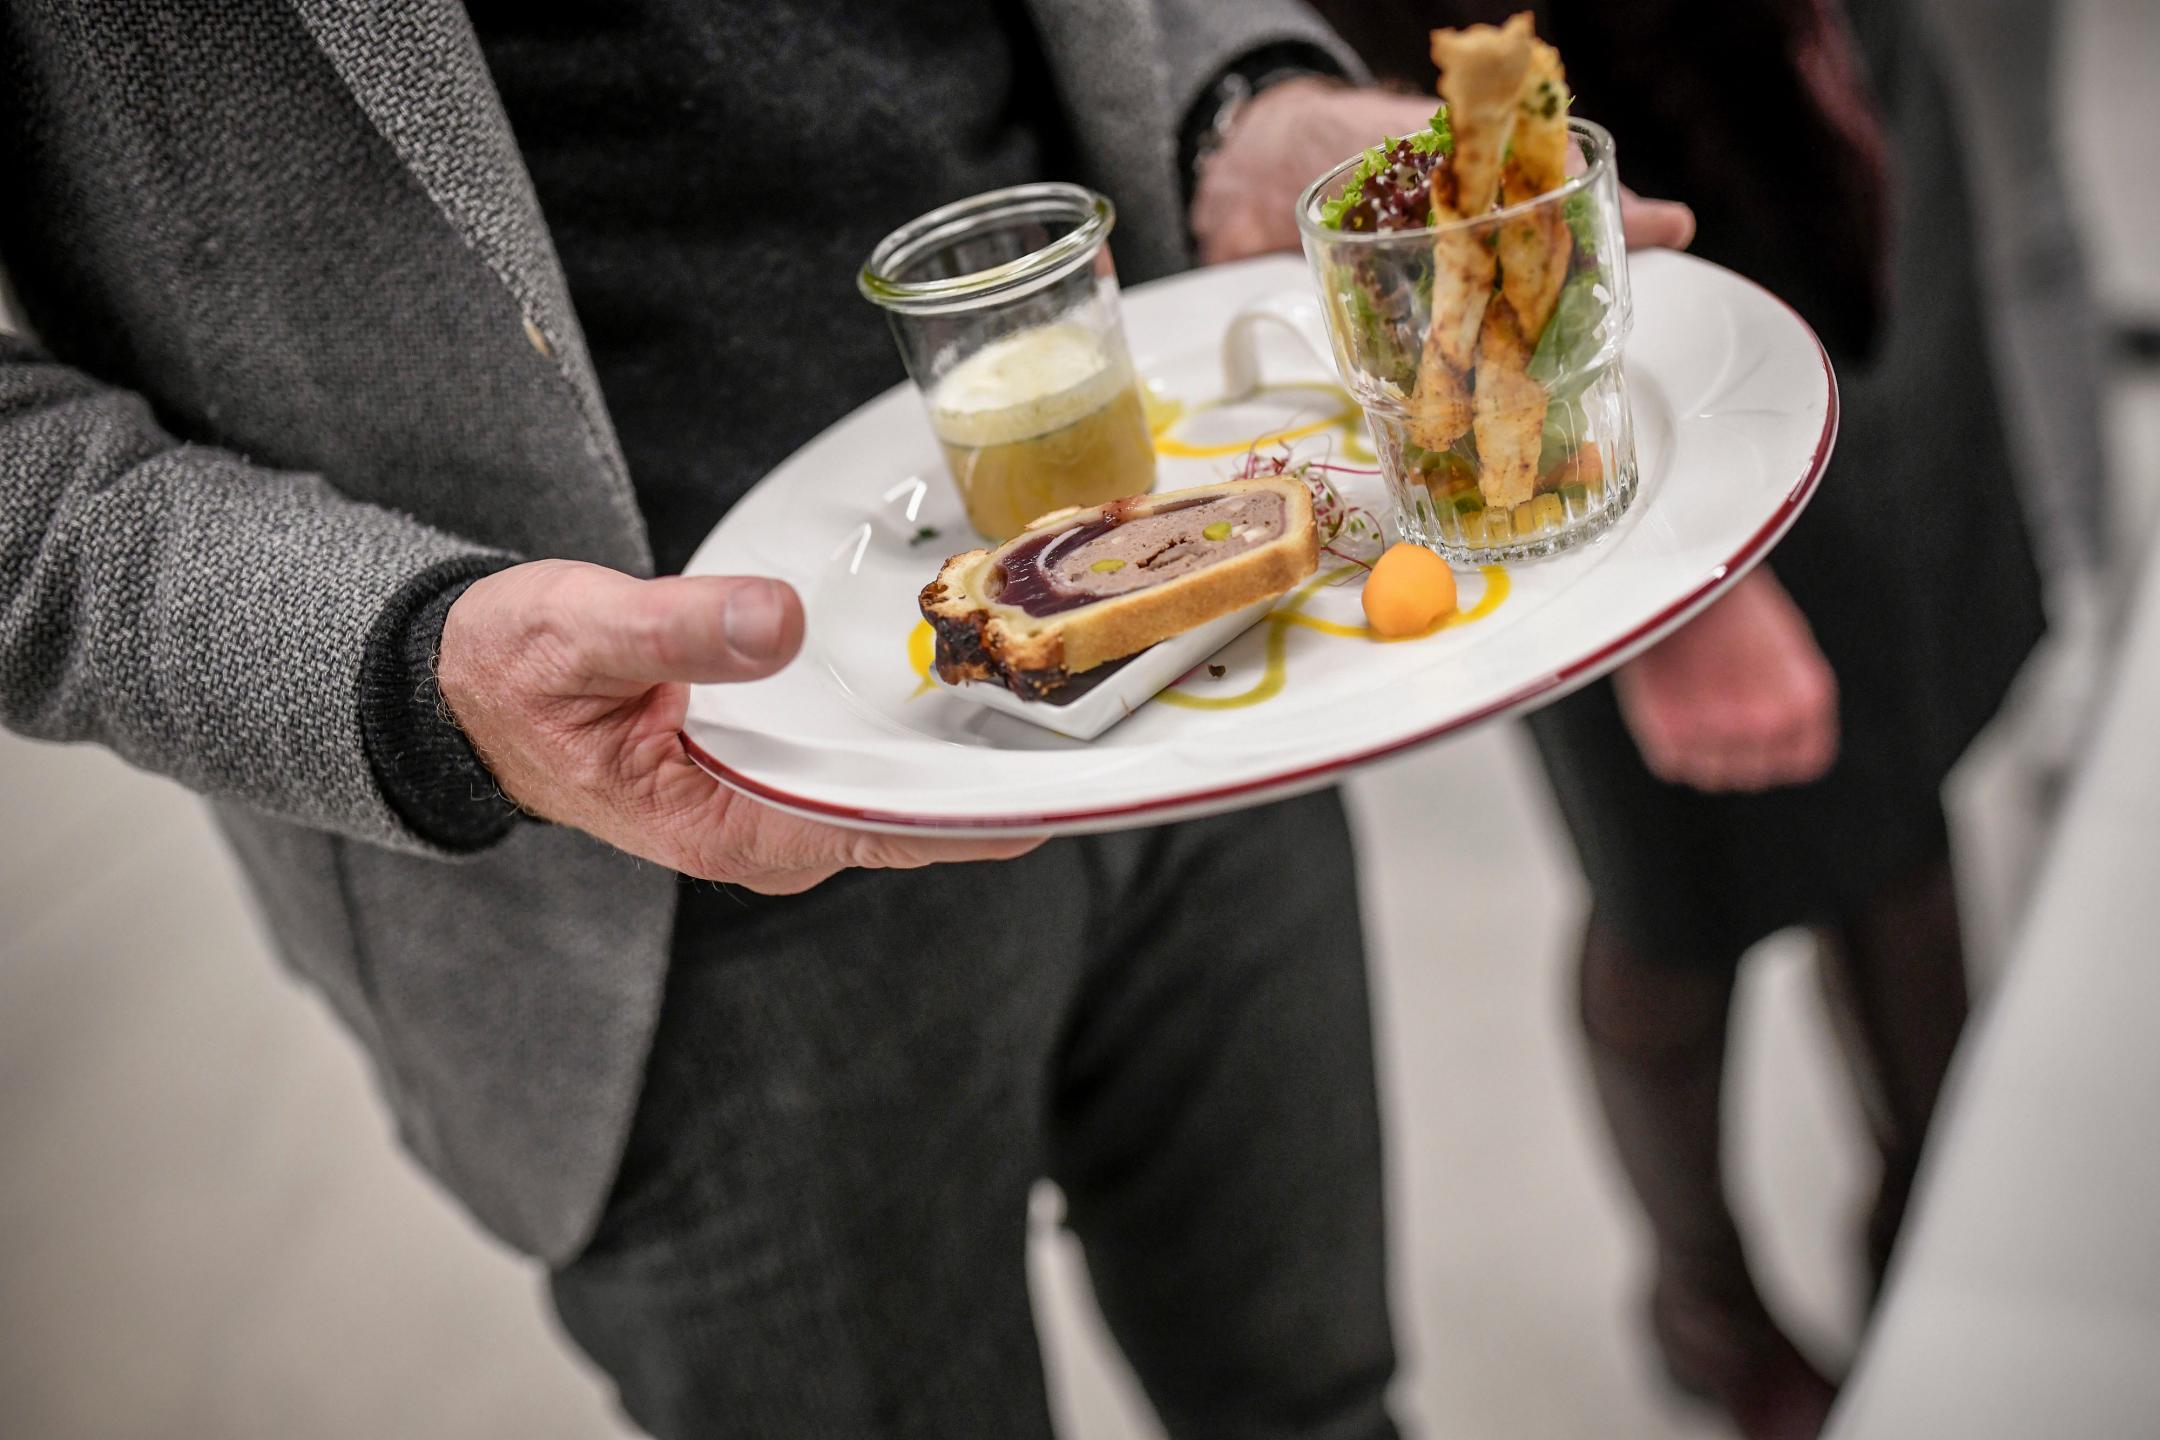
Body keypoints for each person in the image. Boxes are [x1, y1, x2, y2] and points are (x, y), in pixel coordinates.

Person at [0, 5, 1500, 1435]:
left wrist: (1232, 102)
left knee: (1317, 1405)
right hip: (642, 882)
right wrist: (402, 658)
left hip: (1197, 678)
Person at [1306, 3, 2049, 1438]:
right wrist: (1666, 560)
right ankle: (1710, 1305)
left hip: (1830, 121)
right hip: (1561, 194)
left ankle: (1930, 1214)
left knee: (1896, 767)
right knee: (1680, 881)